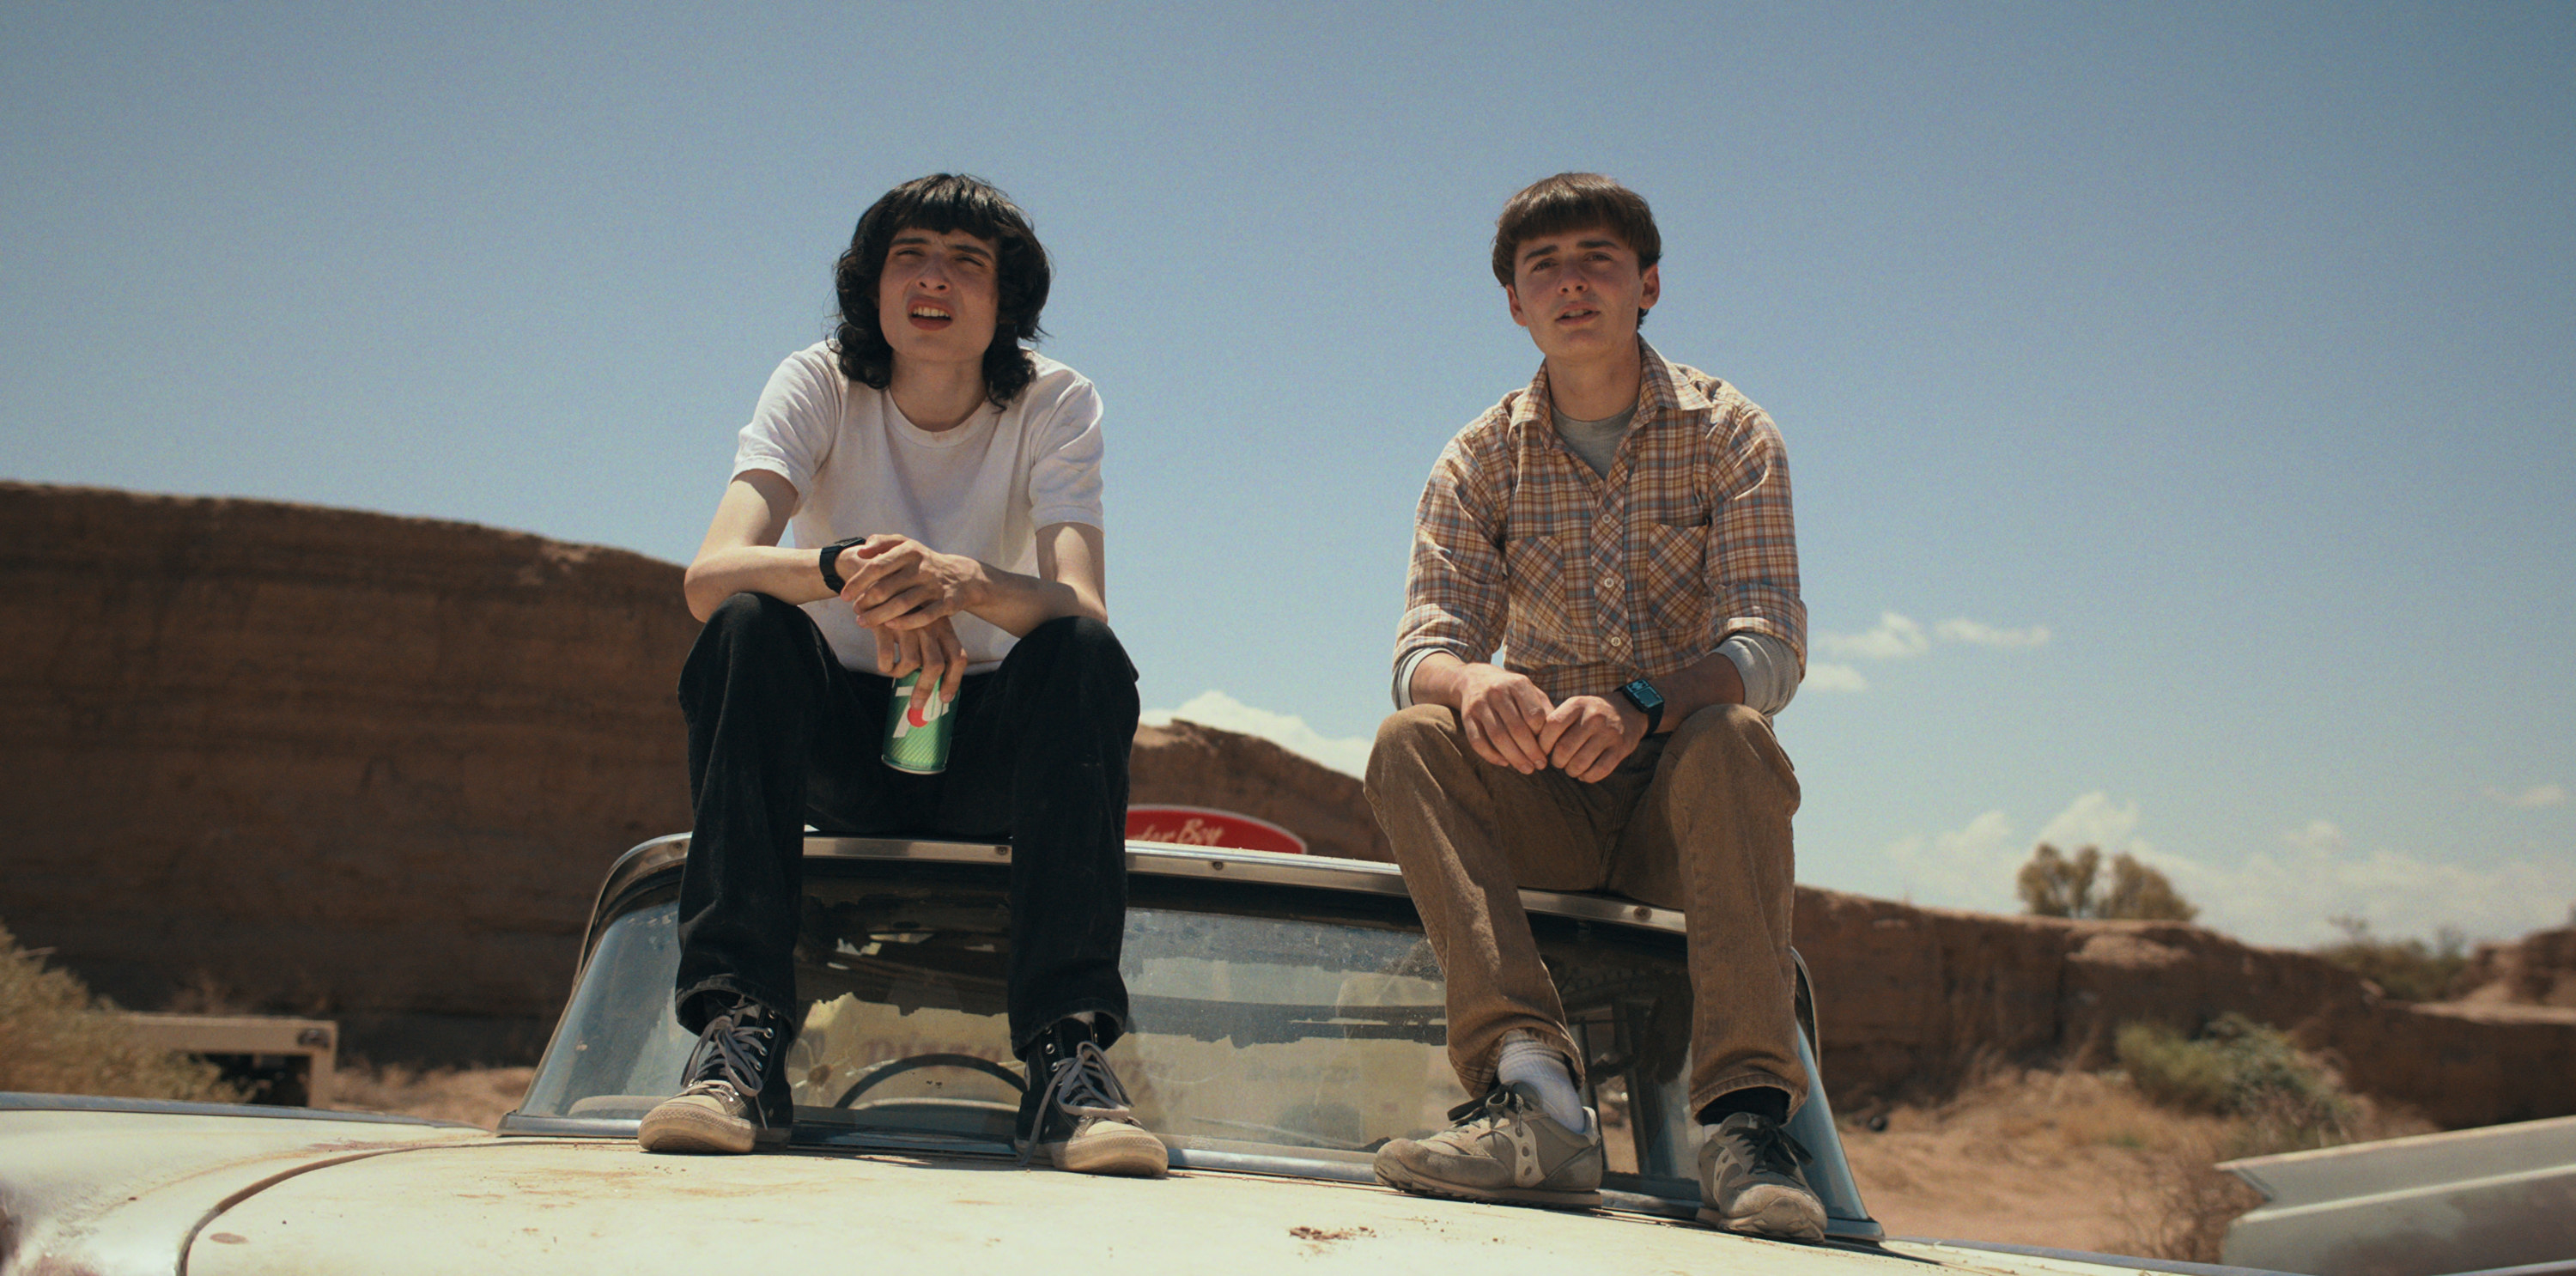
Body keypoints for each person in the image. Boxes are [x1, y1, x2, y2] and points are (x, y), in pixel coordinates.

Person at [636, 173, 1163, 1178]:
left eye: (969, 261)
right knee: (749, 623)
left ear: (1006, 299)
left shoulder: (1056, 400)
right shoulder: (818, 381)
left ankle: (1066, 1052)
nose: (936, 279)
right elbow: (710, 573)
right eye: (911, 254)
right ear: (871, 286)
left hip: (991, 745)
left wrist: (959, 582)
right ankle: (738, 1043)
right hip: (832, 734)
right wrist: (852, 569)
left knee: (1085, 658)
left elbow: (1081, 604)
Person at [1364, 173, 1822, 1239]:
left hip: (1684, 813)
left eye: (1597, 260)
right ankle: (1535, 1096)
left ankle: (1748, 1123)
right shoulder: (1477, 458)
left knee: (1737, 739)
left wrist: (1641, 703)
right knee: (1412, 739)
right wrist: (1477, 682)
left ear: (1647, 285)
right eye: (1544, 268)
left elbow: (1769, 648)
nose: (1572, 283)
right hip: (1544, 810)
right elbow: (1421, 650)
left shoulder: (1731, 432)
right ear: (1514, 304)